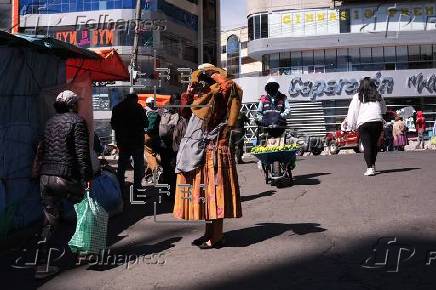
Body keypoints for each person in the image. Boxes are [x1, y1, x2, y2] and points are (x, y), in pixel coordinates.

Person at [173, 64, 243, 249]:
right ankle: (208, 233)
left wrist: (213, 74)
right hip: (200, 153)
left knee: (215, 195)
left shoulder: (221, 93)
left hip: (215, 152)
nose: (198, 84)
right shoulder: (203, 98)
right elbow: (185, 112)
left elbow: (229, 86)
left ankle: (217, 237)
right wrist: (188, 94)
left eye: (201, 81)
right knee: (206, 195)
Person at [35, 90, 93, 278]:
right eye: (77, 103)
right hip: (65, 176)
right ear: (73, 105)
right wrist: (87, 177)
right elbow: (82, 153)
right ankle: (83, 252)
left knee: (49, 220)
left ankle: (42, 265)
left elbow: (43, 148)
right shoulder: (77, 121)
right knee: (84, 209)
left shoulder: (50, 122)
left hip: (46, 177)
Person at [345, 77, 387, 176]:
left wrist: (351, 125)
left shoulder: (358, 96)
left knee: (367, 146)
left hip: (364, 123)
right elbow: (384, 109)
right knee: (374, 145)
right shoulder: (378, 95)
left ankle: (369, 168)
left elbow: (353, 111)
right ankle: (373, 165)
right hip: (377, 122)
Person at [111, 93, 147, 191]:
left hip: (123, 142)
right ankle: (137, 187)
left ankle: (120, 187)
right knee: (138, 165)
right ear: (134, 99)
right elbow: (146, 123)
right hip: (137, 141)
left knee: (122, 165)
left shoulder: (117, 108)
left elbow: (113, 125)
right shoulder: (138, 108)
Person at [144, 96, 162, 183]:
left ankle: (156, 170)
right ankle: (149, 175)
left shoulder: (146, 111)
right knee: (152, 154)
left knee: (148, 154)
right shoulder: (159, 112)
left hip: (148, 136)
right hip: (157, 137)